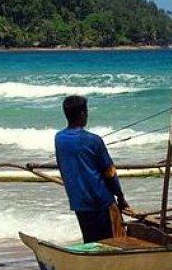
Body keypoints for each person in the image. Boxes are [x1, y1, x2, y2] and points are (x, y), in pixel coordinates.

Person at [55, 96, 130, 243]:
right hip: (101, 202)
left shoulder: (59, 138)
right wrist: (120, 197)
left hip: (79, 203)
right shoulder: (93, 140)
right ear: (82, 114)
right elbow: (110, 172)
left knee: (91, 242)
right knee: (115, 241)